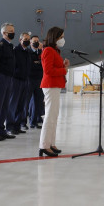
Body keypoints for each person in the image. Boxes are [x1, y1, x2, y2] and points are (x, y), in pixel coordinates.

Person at [39, 27, 69, 157]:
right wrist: (64, 71)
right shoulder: (48, 50)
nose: (62, 39)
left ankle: (51, 143)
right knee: (49, 116)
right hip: (50, 85)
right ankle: (44, 145)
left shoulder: (55, 50)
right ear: (54, 37)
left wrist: (64, 65)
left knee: (54, 116)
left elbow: (55, 67)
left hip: (55, 85)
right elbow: (48, 70)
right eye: (60, 37)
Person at [7, 32, 31, 135]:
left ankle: (17, 126)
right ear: (20, 40)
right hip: (16, 80)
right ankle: (10, 126)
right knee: (13, 104)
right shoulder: (16, 51)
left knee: (22, 104)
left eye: (28, 39)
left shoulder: (28, 52)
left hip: (25, 80)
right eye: (25, 39)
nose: (27, 41)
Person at [27, 36, 45, 128]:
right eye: (34, 41)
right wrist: (37, 64)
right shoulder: (28, 52)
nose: (36, 43)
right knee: (27, 101)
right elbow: (30, 66)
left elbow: (43, 65)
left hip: (39, 79)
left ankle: (35, 121)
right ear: (30, 43)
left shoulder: (41, 53)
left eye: (37, 41)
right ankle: (24, 122)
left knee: (38, 101)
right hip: (30, 79)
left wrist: (37, 64)